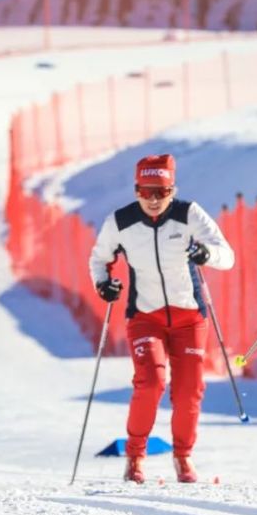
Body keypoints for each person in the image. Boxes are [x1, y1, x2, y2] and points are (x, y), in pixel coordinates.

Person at [88, 154, 234, 484]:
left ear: (173, 190)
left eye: (162, 192)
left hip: (189, 318)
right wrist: (103, 285)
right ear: (136, 189)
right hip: (145, 316)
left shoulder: (189, 215)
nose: (153, 200)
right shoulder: (121, 222)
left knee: (188, 391)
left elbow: (228, 256)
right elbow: (99, 259)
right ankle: (135, 457)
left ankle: (183, 457)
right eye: (146, 192)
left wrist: (206, 254)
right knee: (151, 382)